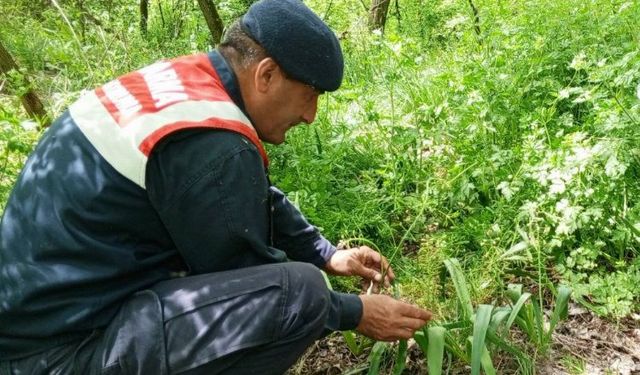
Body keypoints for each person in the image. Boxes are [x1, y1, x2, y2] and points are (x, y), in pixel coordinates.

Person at [0, 0, 432, 373]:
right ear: (266, 75)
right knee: (303, 293)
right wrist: (354, 312)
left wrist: (327, 254)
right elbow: (260, 290)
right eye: (311, 94)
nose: (311, 115)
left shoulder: (187, 89)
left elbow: (241, 194)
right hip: (63, 355)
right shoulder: (214, 148)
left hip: (44, 324)